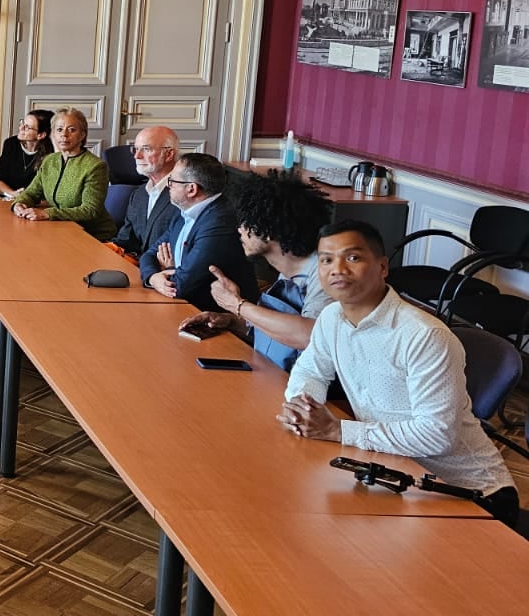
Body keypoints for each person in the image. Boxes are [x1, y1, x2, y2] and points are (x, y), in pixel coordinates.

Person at [279, 221, 518, 526]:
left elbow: (437, 435)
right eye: (326, 259)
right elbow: (311, 369)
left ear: (382, 267)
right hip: (393, 472)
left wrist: (338, 430)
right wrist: (303, 407)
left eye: (352, 257)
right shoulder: (331, 317)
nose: (337, 268)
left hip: (467, 495)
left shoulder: (423, 336)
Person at [178, 173, 332, 370]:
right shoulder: (287, 268)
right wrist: (232, 322)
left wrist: (237, 305)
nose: (240, 230)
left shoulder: (325, 274)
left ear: (267, 230)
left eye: (246, 222)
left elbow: (309, 336)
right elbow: (279, 332)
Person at [138, 153, 256, 313]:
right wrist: (153, 277)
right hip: (178, 306)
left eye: (172, 181)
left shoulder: (218, 223)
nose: (168, 185)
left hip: (213, 317)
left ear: (191, 189)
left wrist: (170, 273)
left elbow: (181, 286)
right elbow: (148, 255)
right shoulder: (184, 212)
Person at [9, 108, 115, 240]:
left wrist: (48, 214)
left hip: (92, 235)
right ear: (53, 134)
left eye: (71, 130)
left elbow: (90, 210)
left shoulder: (95, 166)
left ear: (82, 135)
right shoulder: (50, 161)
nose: (64, 135)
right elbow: (32, 192)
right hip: (59, 230)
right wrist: (19, 204)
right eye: (59, 130)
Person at [111, 126, 182, 258]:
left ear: (169, 154)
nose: (137, 156)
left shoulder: (184, 194)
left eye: (146, 149)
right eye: (136, 149)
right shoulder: (138, 194)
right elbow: (126, 240)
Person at [0, 109, 53, 199]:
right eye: (22, 123)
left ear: (41, 135)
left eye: (27, 127)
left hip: (38, 204)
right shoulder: (11, 144)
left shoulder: (52, 152)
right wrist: (13, 193)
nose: (21, 128)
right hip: (10, 199)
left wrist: (27, 199)